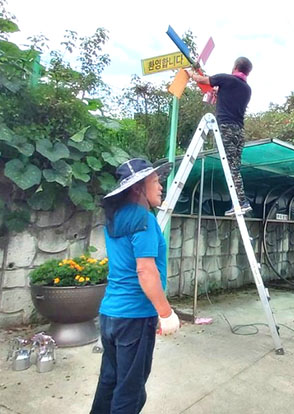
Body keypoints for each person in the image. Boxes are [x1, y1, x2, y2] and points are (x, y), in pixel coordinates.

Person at [91, 158, 180, 414]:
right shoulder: (144, 219)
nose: (161, 186)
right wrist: (165, 312)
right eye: (155, 181)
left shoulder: (116, 217)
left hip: (110, 314)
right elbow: (145, 270)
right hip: (134, 316)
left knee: (109, 381)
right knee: (130, 391)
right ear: (138, 187)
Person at [188, 57, 253, 216]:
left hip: (226, 128)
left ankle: (241, 202)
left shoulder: (226, 79)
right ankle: (238, 202)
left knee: (230, 167)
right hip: (239, 131)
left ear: (235, 66)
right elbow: (229, 94)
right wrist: (218, 92)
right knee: (234, 166)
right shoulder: (246, 88)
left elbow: (200, 79)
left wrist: (189, 73)